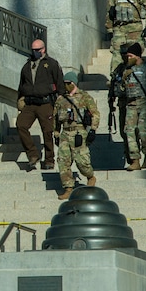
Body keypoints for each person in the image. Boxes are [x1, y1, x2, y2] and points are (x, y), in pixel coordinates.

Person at [16, 39, 65, 169]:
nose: (34, 52)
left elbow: (60, 82)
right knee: (21, 125)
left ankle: (49, 160)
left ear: (43, 49)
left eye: (37, 50)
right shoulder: (27, 66)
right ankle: (33, 154)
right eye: (33, 50)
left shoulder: (52, 64)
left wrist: (61, 101)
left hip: (45, 103)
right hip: (30, 103)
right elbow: (22, 85)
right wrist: (19, 100)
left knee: (48, 132)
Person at [117, 43, 146, 171]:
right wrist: (122, 80)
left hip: (145, 104)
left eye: (130, 56)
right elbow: (119, 90)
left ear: (137, 56)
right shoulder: (125, 69)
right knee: (129, 131)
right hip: (130, 104)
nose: (128, 58)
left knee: (142, 130)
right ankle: (135, 160)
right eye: (127, 56)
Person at [53, 71, 100, 200]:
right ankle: (68, 187)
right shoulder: (61, 99)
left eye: (68, 83)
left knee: (81, 161)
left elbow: (95, 113)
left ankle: (90, 176)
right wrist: (56, 133)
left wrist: (92, 130)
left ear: (73, 83)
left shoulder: (84, 97)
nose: (66, 86)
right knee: (63, 161)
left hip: (79, 132)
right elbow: (56, 118)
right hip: (65, 132)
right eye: (64, 83)